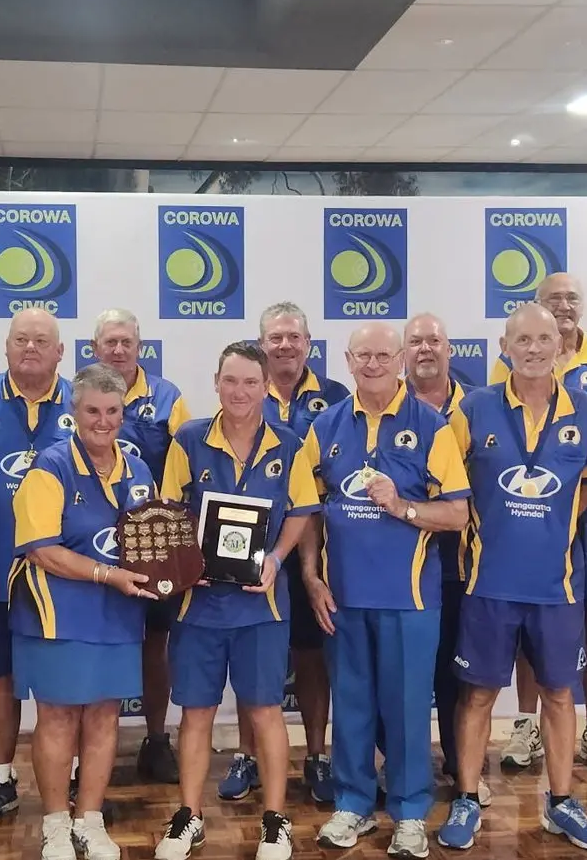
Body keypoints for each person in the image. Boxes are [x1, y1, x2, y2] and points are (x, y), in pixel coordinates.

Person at [437, 303, 587, 853]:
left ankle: (561, 804)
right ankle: (467, 797)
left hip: (556, 586)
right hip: (487, 583)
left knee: (560, 696)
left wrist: (554, 524)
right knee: (479, 696)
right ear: (503, 349)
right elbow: (447, 480)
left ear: (561, 345)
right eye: (522, 340)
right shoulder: (474, 409)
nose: (534, 349)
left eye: (544, 339)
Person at [303, 322, 470, 859]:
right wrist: (311, 575)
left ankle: (409, 812)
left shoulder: (432, 426)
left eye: (382, 355)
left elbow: (459, 513)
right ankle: (352, 803)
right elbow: (305, 511)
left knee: (404, 709)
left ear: (400, 360)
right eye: (362, 356)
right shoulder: (325, 425)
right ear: (347, 362)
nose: (373, 364)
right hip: (344, 597)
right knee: (350, 706)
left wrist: (403, 507)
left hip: (411, 599)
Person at [153, 342, 320, 860]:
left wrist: (276, 558)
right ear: (216, 382)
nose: (240, 391)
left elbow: (303, 511)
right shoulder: (188, 439)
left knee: (266, 711)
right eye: (231, 381)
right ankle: (190, 816)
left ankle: (276, 820)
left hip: (261, 606)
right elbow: (169, 509)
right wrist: (184, 562)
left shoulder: (290, 443)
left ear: (266, 385)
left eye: (251, 381)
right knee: (197, 714)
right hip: (198, 608)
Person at [10, 363, 159, 860]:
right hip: (57, 613)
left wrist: (178, 571)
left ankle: (89, 819)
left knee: (104, 716)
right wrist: (106, 574)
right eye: (92, 410)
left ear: (124, 413)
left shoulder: (138, 471)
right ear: (74, 412)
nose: (103, 421)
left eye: (113, 411)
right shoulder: (49, 466)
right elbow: (40, 549)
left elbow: (154, 543)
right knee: (56, 716)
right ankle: (55, 822)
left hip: (118, 615)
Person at [489, 273, 587, 775]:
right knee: (531, 613)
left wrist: (572, 507)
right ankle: (526, 725)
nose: (564, 307)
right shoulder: (510, 358)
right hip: (525, 513)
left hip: (586, 514)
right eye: (553, 300)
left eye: (572, 299)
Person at [224, 301, 348, 806]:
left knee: (313, 656)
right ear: (261, 345)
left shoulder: (337, 397)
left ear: (309, 343)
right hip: (247, 555)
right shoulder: (244, 392)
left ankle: (317, 754)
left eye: (293, 337)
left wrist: (310, 569)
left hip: (313, 548)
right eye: (275, 338)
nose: (284, 346)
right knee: (250, 658)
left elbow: (321, 495)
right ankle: (247, 755)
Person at [0, 307, 76, 826]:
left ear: (60, 352)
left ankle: (71, 779)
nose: (30, 348)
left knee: (64, 689)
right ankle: (0, 778)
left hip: (69, 582)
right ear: (3, 349)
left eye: (41, 340)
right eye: (20, 339)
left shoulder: (85, 401)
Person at [91, 308, 192, 784]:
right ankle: (88, 761)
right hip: (93, 548)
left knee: (156, 648)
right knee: (97, 647)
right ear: (94, 349)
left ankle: (156, 740)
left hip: (153, 547)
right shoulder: (83, 394)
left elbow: (186, 462)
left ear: (139, 346)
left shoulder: (168, 398)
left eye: (126, 342)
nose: (118, 350)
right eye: (109, 342)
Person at [401, 313, 490, 808]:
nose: (425, 350)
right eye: (416, 342)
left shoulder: (480, 405)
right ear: (404, 353)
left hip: (464, 564)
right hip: (402, 571)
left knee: (459, 676)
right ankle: (402, 764)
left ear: (450, 349)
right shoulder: (385, 405)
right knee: (406, 677)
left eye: (434, 340)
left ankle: (463, 768)